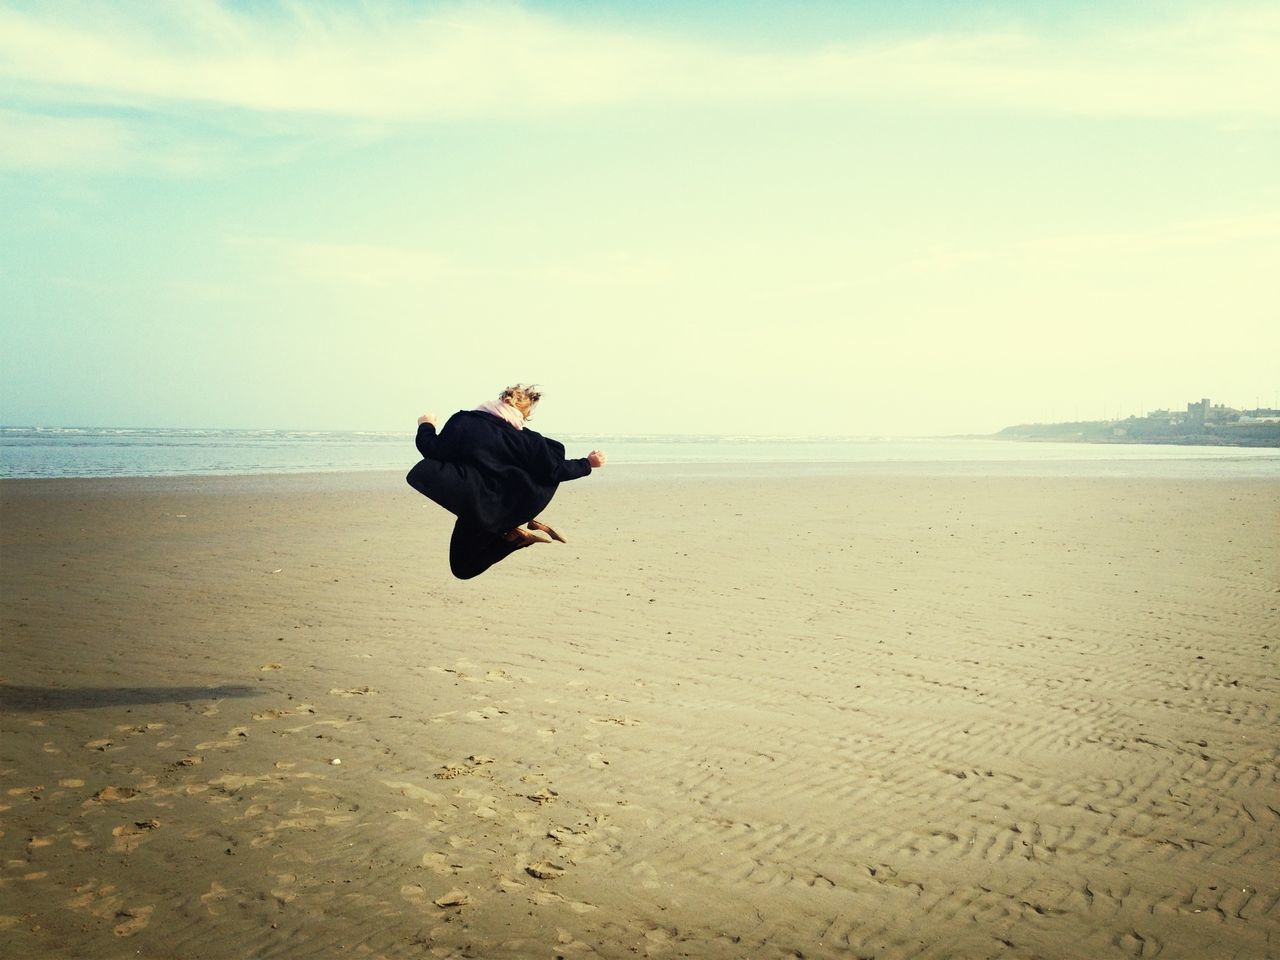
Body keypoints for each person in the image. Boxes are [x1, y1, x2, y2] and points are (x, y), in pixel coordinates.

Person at [406, 384, 607, 580]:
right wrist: (588, 463)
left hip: (475, 507)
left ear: (500, 399)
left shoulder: (464, 422)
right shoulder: (529, 441)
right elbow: (555, 470)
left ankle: (517, 538)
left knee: (462, 568)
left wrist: (426, 425)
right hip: (509, 508)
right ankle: (514, 537)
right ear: (525, 414)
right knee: (463, 567)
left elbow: (432, 449)